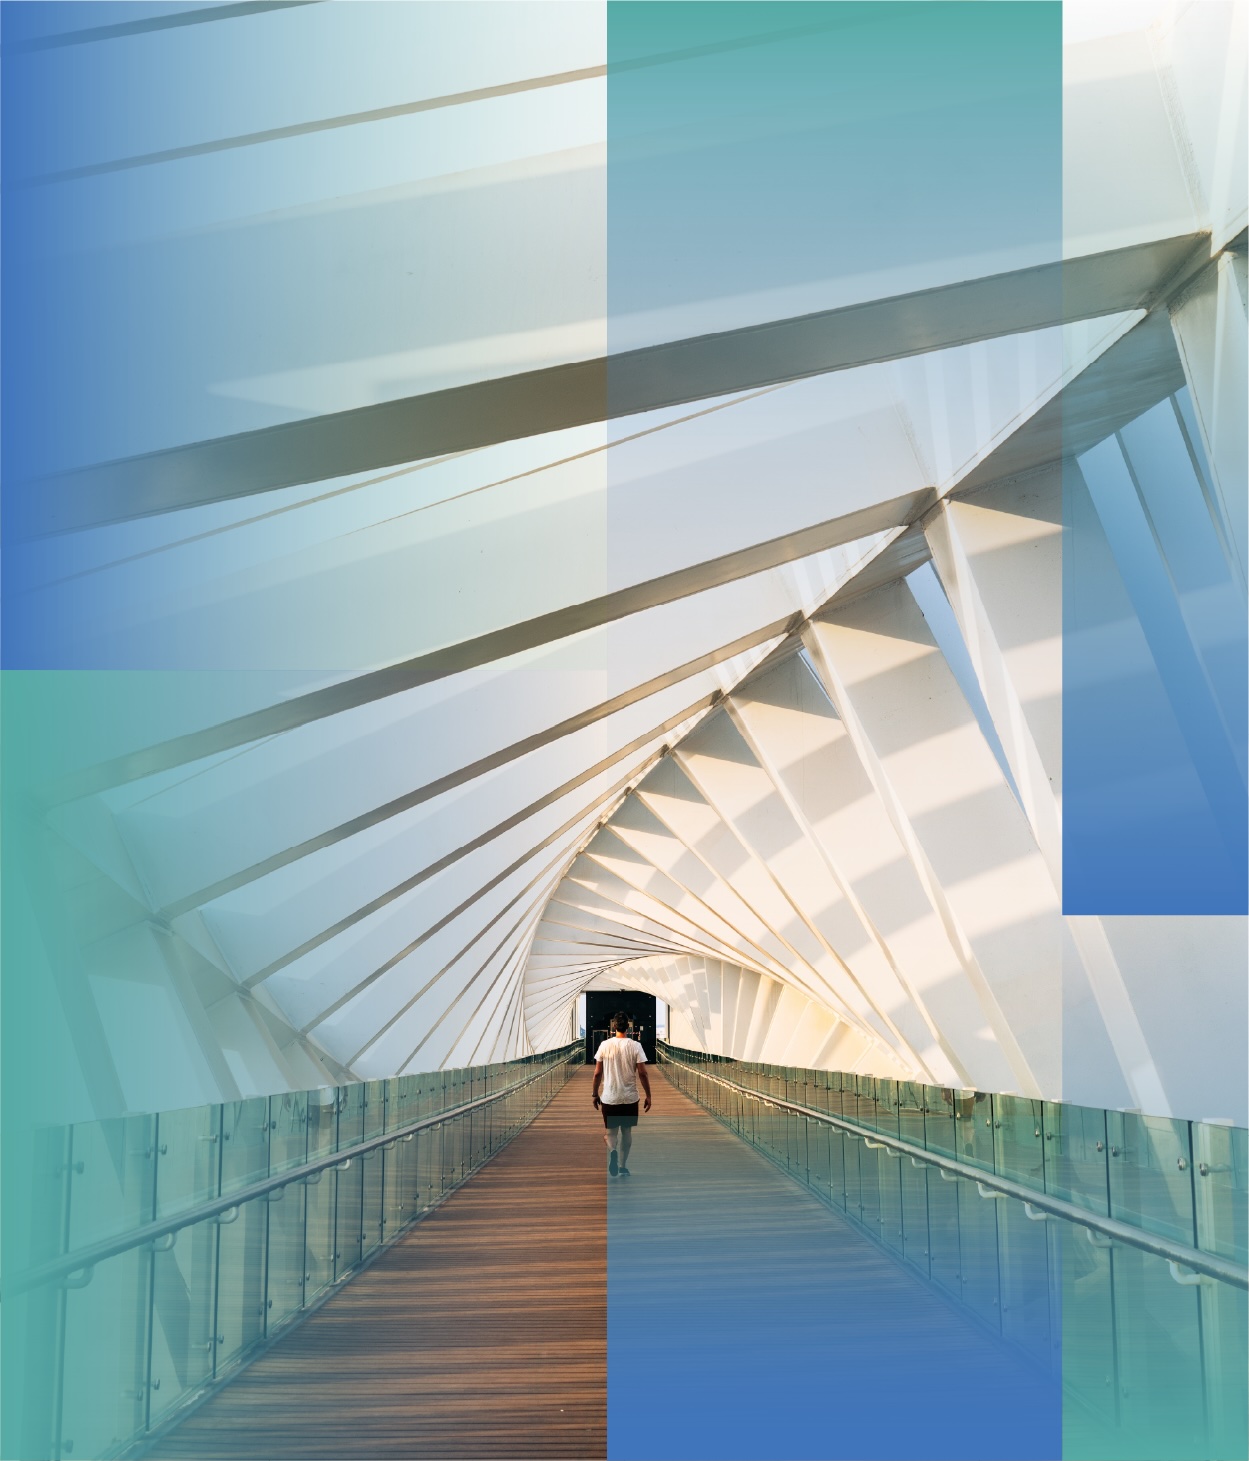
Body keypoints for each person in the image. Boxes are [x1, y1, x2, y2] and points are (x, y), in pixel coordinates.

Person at [592, 1012, 652, 1176]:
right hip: (629, 1098)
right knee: (627, 1132)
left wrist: (594, 1094)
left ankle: (612, 1151)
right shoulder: (635, 1046)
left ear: (614, 1027)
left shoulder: (604, 1045)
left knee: (611, 1133)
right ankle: (623, 1166)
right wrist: (648, 1095)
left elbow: (597, 1073)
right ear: (628, 1028)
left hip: (609, 1098)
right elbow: (643, 1073)